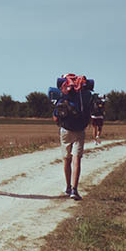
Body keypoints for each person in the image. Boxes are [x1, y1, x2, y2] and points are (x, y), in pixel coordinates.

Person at [52, 73, 95, 201]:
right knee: (77, 159)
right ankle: (74, 190)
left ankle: (68, 187)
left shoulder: (63, 95)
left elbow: (55, 117)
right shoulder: (85, 96)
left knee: (67, 160)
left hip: (65, 130)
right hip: (79, 131)